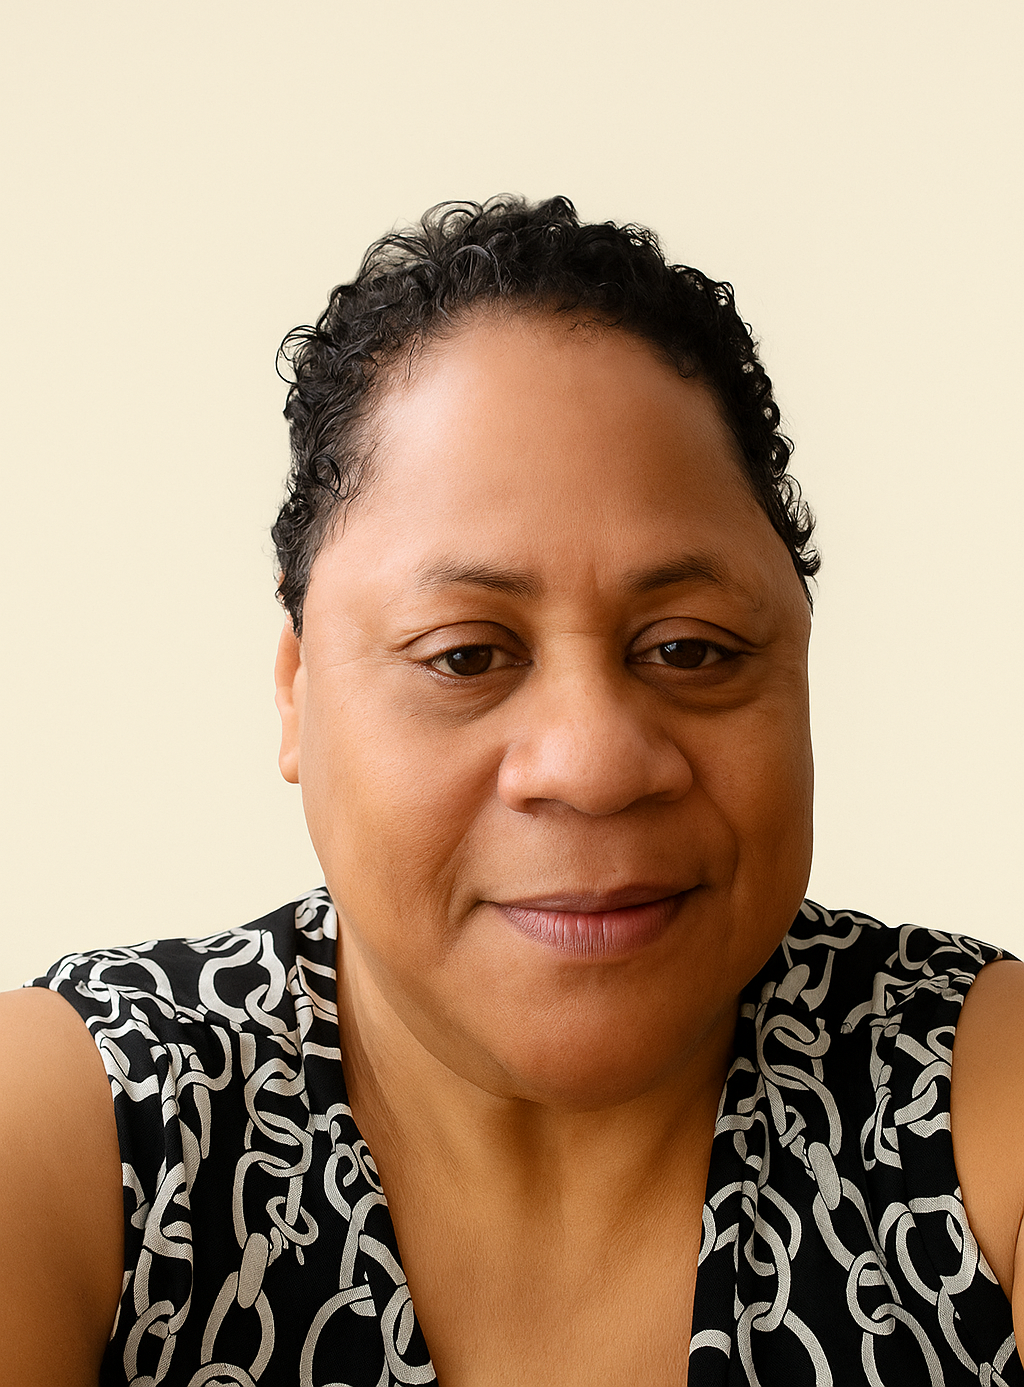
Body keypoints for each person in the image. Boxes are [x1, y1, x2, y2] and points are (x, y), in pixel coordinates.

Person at [2, 197, 1023, 1387]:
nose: (592, 766)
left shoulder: (975, 1097)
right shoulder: (83, 1126)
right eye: (464, 655)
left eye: (688, 647)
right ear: (295, 692)